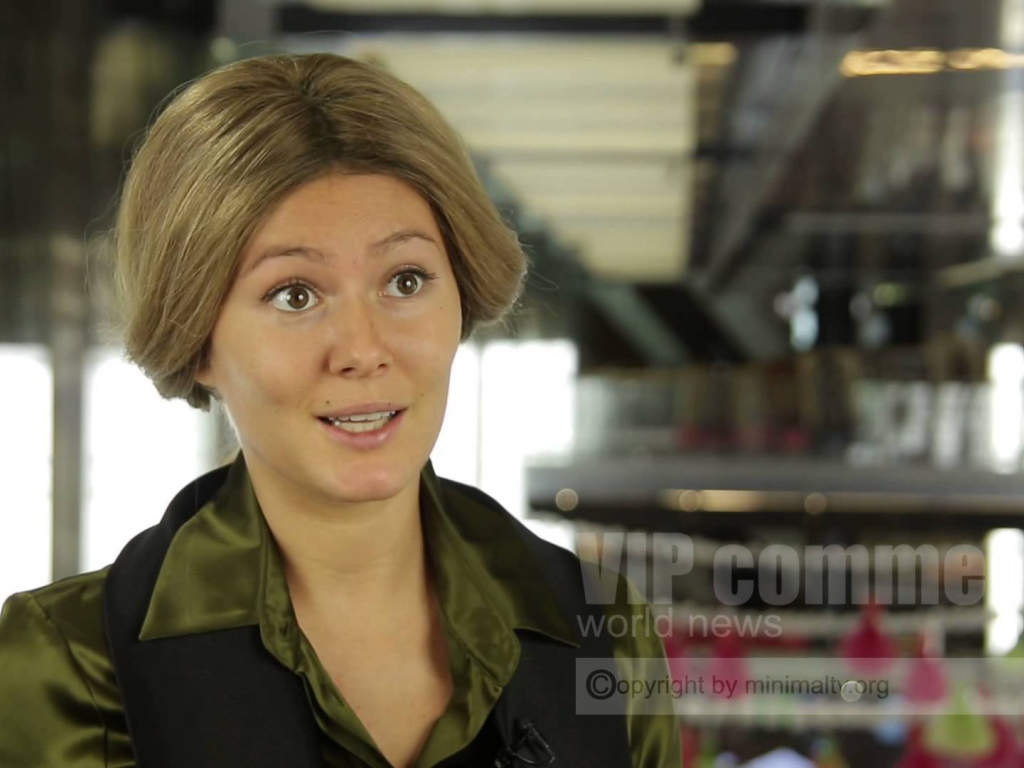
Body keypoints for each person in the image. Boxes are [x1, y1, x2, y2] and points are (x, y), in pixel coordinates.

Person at [0, 53, 681, 767]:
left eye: (405, 280)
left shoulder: (604, 634)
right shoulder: (66, 667)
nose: (362, 349)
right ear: (198, 340)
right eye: (295, 295)